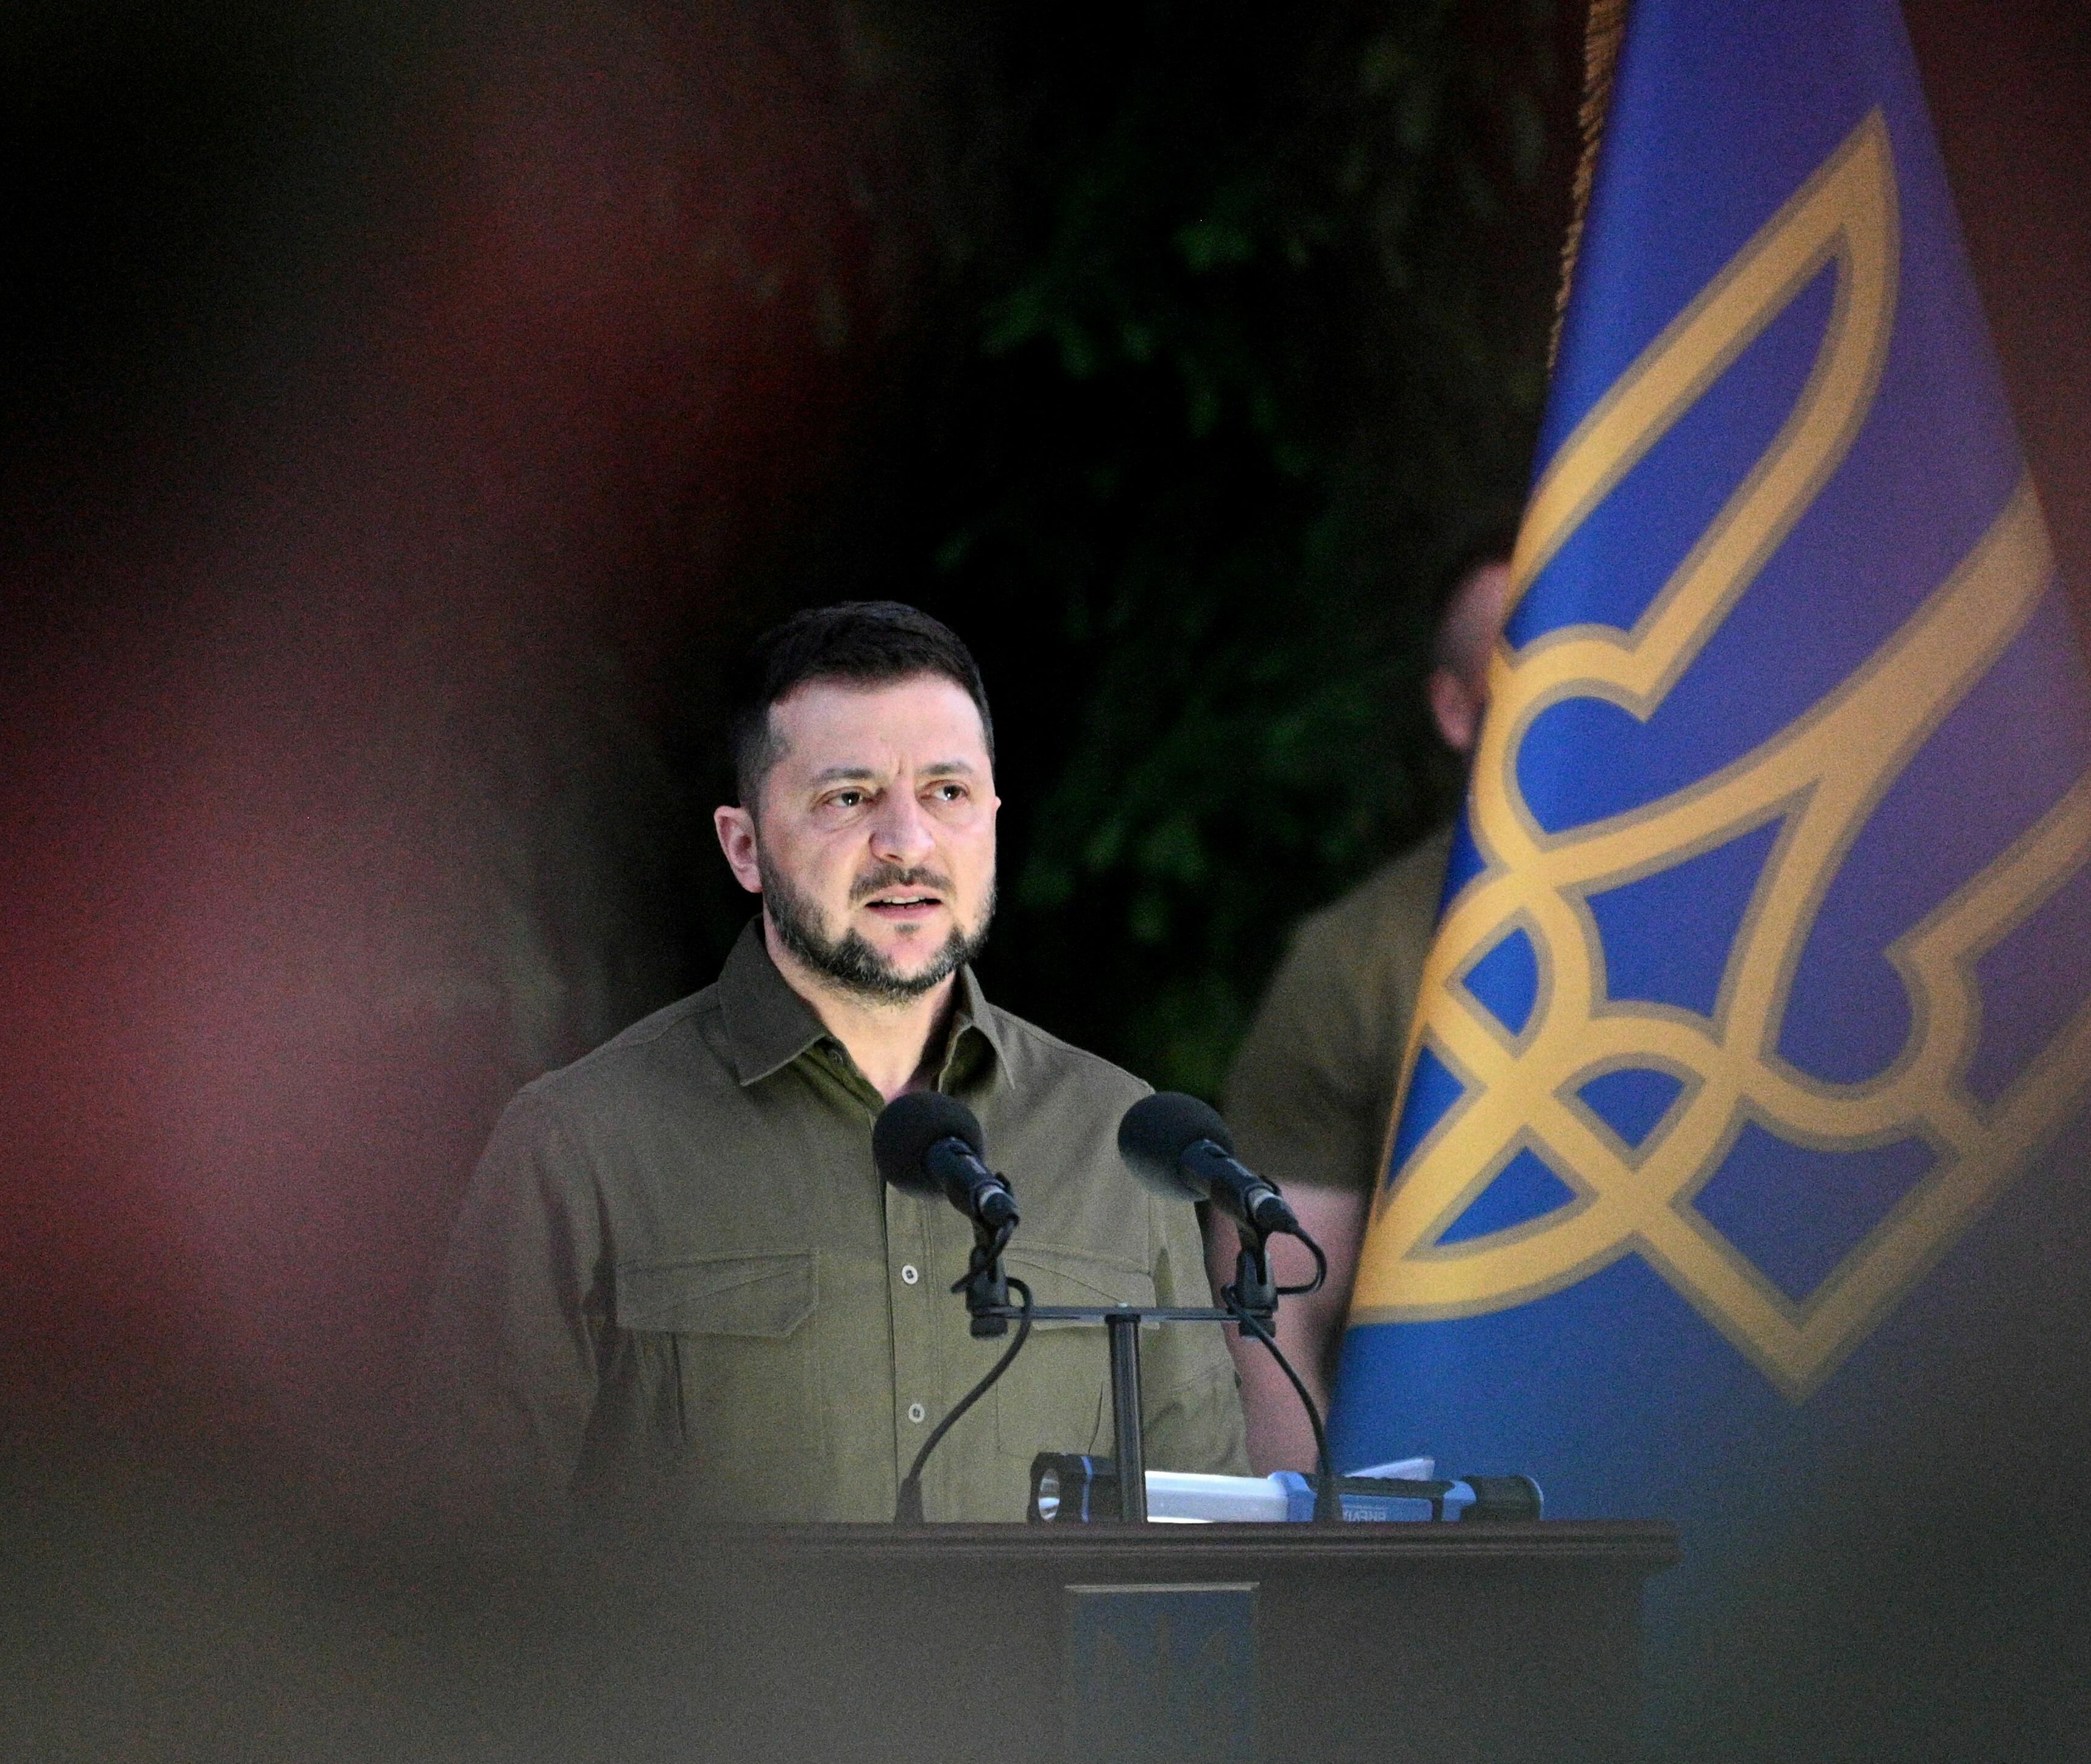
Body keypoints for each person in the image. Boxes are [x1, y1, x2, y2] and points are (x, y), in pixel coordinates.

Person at [421, 601, 1247, 1529]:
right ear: (744, 846)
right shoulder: (580, 1145)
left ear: (992, 820)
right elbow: (465, 1567)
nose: (907, 841)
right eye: (846, 798)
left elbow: (1201, 1542)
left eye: (947, 792)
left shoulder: (1120, 1139)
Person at [1215, 553, 1514, 1473]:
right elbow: (1271, 1316)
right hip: (1461, 1525)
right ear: (1454, 709)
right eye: (1524, 668)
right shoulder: (1353, 964)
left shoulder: (1768, 919)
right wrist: (1315, 1566)